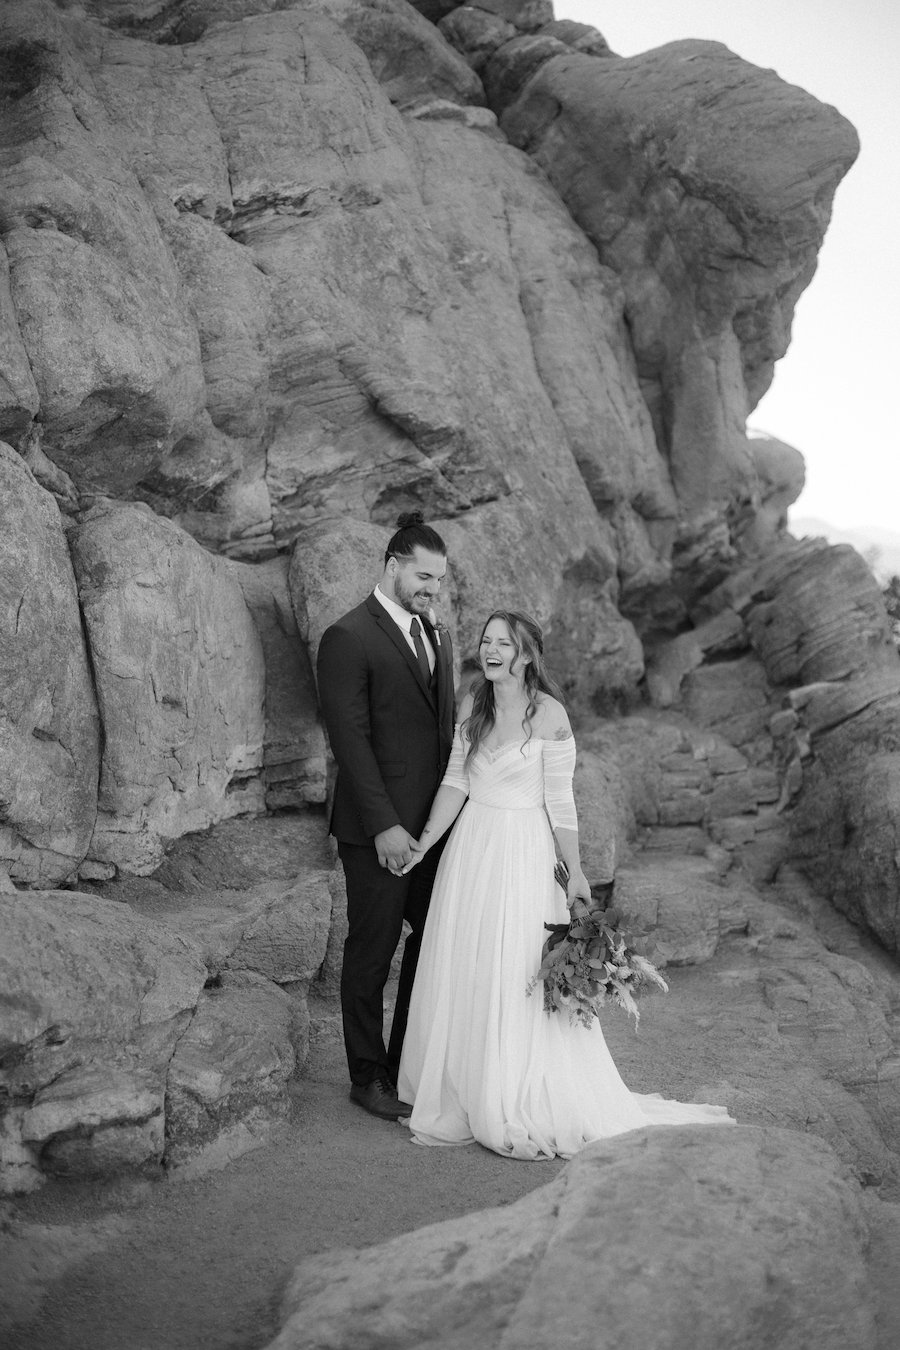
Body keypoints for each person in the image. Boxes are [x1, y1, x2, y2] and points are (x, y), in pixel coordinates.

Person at [397, 610, 733, 1159]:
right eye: (486, 641)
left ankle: (512, 1093)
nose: (491, 649)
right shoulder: (472, 707)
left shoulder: (550, 715)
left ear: (527, 655)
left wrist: (574, 871)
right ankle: (463, 1085)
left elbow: (560, 801)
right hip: (471, 849)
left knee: (515, 965)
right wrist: (425, 842)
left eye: (504, 643)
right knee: (471, 959)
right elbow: (456, 781)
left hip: (523, 852)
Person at [316, 513, 455, 1120]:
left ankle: (403, 1062)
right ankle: (365, 1077)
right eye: (424, 576)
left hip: (433, 831)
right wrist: (384, 826)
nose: (433, 589)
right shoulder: (348, 636)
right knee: (371, 951)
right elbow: (349, 739)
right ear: (392, 565)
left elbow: (442, 736)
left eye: (441, 580)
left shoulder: (438, 636)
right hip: (379, 831)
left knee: (438, 938)